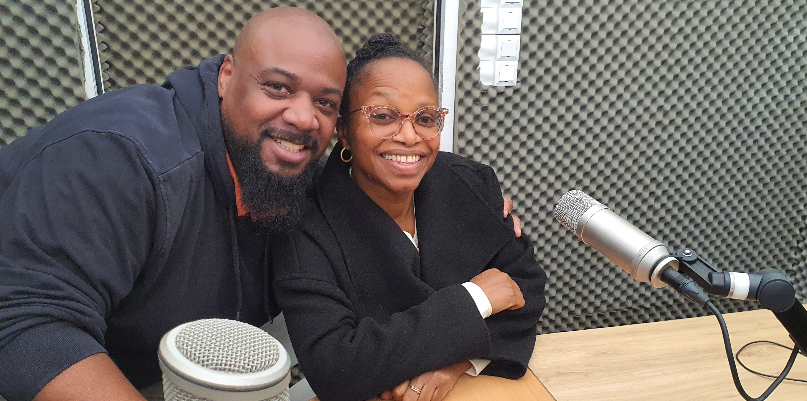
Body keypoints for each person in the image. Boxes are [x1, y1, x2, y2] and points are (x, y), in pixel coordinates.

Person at [0, 7, 523, 401]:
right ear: (226, 75)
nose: (302, 117)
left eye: (324, 102)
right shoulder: (123, 157)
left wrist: (465, 205)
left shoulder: (294, 170)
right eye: (277, 87)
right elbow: (30, 329)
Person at [273, 33, 547, 401]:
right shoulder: (303, 221)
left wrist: (456, 363)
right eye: (383, 116)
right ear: (344, 132)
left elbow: (526, 290)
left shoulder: (471, 182)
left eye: (425, 118)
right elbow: (336, 366)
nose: (408, 136)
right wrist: (474, 299)